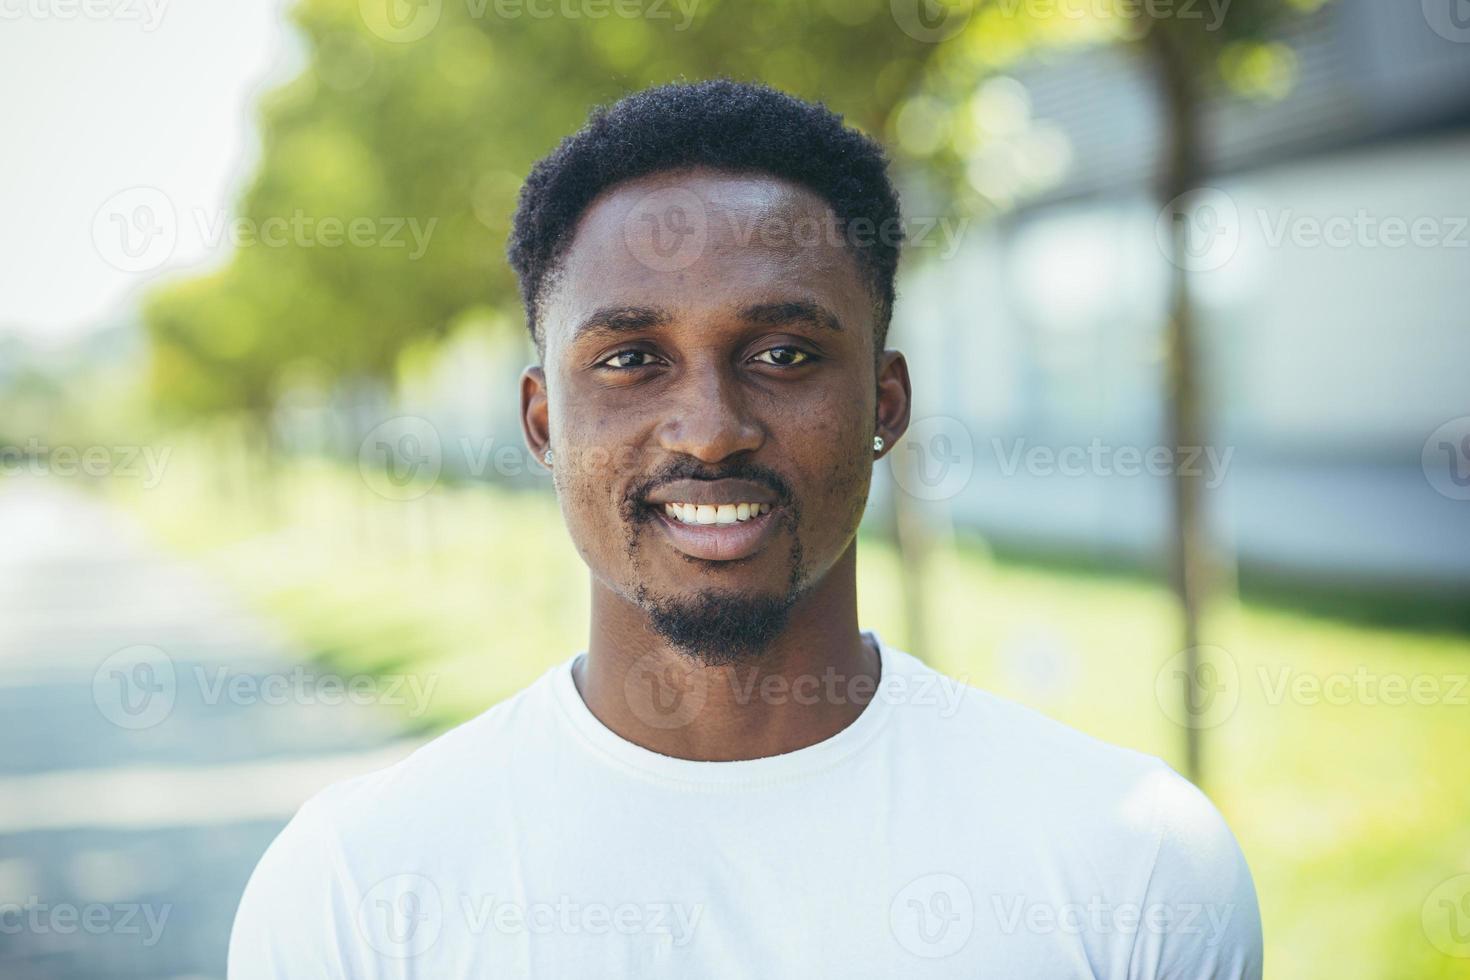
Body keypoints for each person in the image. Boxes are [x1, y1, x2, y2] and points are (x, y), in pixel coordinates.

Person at [228, 78, 1262, 978]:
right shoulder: (357, 886)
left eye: (783, 354)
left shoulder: (1133, 863)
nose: (712, 432)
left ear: (886, 406)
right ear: (544, 421)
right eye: (632, 358)